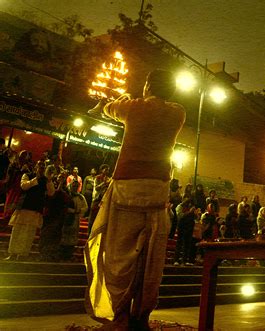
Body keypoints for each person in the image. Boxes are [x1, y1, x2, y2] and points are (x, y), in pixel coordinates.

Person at [84, 69, 186, 330]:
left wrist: (110, 101)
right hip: (158, 189)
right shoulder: (177, 113)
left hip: (127, 186)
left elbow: (110, 108)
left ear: (148, 85)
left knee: (118, 255)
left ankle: (119, 316)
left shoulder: (133, 108)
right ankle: (141, 316)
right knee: (150, 257)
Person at [4, 160, 55, 260]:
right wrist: (37, 178)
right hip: (24, 207)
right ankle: (13, 253)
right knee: (17, 231)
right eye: (39, 165)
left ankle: (22, 254)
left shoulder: (46, 180)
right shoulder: (27, 175)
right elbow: (24, 186)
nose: (41, 168)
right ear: (36, 167)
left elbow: (51, 193)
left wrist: (48, 180)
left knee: (28, 234)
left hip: (35, 209)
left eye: (43, 166)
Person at [60, 179, 87, 261]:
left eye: (76, 186)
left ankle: (69, 254)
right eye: (73, 185)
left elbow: (85, 207)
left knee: (73, 236)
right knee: (64, 235)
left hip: (75, 219)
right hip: (66, 218)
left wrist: (78, 211)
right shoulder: (66, 195)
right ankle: (62, 254)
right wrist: (70, 210)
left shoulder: (80, 197)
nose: (74, 187)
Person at [87, 164, 110, 234]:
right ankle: (89, 234)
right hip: (96, 200)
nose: (107, 171)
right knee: (92, 219)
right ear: (101, 170)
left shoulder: (109, 179)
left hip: (104, 201)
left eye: (108, 170)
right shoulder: (97, 177)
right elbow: (96, 188)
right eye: (105, 169)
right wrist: (104, 183)